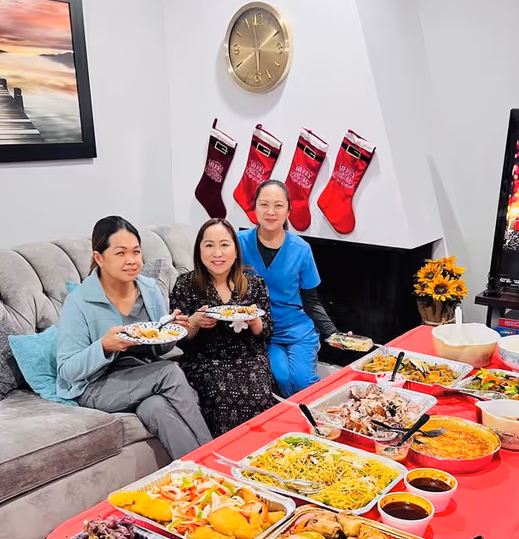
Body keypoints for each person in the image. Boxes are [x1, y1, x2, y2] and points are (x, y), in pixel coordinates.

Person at [56, 215, 212, 460]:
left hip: (141, 376)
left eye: (136, 252)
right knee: (169, 372)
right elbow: (66, 370)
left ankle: (200, 476)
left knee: (156, 408)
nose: (131, 261)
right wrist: (104, 347)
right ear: (99, 258)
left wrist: (173, 328)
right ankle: (215, 454)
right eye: (120, 253)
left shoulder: (149, 288)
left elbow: (159, 347)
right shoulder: (79, 302)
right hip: (96, 386)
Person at [170, 218, 275, 437]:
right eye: (209, 245)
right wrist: (194, 322)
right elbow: (179, 338)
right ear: (199, 251)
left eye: (224, 245)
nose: (217, 253)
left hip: (248, 357)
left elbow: (267, 331)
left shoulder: (254, 284)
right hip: (205, 360)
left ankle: (259, 451)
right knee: (221, 392)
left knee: (260, 392)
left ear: (235, 251)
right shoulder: (185, 284)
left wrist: (255, 322)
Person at [238, 180, 341, 397]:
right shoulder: (238, 243)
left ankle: (323, 420)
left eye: (278, 205)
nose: (271, 212)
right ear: (254, 207)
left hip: (298, 329)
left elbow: (311, 301)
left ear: (288, 210)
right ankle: (293, 425)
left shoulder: (301, 249)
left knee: (303, 380)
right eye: (264, 205)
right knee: (283, 377)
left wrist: (333, 334)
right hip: (264, 331)